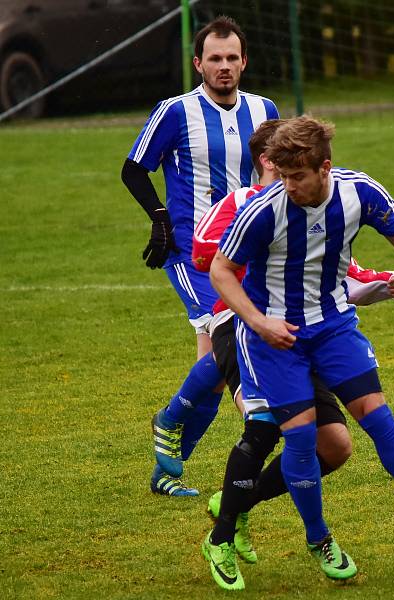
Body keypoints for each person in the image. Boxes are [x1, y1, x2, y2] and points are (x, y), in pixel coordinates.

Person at [206, 115, 394, 589]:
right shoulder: (265, 210)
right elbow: (221, 271)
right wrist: (260, 322)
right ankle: (318, 537)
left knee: (379, 419)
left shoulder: (358, 192)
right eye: (282, 176)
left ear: (325, 168)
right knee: (302, 440)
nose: (289, 186)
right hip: (274, 335)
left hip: (332, 325)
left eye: (297, 176)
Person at [189, 120, 394, 573]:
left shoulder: (320, 204)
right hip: (242, 327)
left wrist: (375, 285)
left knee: (336, 446)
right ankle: (222, 536)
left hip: (302, 332)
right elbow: (206, 258)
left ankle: (238, 501)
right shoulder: (244, 205)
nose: (289, 172)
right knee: (266, 426)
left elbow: (338, 272)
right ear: (267, 161)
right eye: (280, 163)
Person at [120, 15, 280, 495]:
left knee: (211, 371)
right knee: (232, 346)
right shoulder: (174, 111)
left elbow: (276, 169)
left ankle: (168, 469)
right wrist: (161, 217)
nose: (225, 66)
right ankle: (193, 423)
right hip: (196, 253)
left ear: (244, 61)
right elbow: (133, 170)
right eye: (215, 58)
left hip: (245, 252)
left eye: (233, 57)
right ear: (198, 63)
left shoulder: (263, 109)